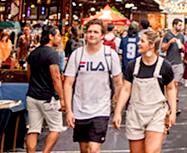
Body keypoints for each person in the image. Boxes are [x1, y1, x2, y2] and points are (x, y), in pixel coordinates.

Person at [113, 29, 177, 153]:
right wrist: (118, 112)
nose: (138, 43)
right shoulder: (133, 66)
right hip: (135, 114)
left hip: (156, 114)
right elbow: (126, 90)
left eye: (142, 41)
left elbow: (170, 89)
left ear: (151, 45)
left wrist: (173, 111)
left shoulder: (165, 66)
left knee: (151, 151)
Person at [64, 19, 123, 153]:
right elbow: (68, 84)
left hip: (101, 109)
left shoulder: (109, 55)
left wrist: (118, 110)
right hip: (80, 109)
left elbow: (119, 83)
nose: (92, 35)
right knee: (84, 149)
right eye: (89, 32)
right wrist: (68, 110)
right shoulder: (77, 55)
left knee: (94, 149)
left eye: (95, 32)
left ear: (102, 35)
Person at [25, 24, 66, 153]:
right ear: (50, 37)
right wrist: (62, 98)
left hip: (32, 96)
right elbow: (56, 78)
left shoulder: (33, 53)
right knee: (56, 128)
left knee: (33, 129)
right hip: (48, 97)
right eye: (58, 35)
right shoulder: (53, 55)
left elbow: (29, 75)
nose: (59, 39)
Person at [162, 19, 186, 101]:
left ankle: (173, 99)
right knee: (168, 83)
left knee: (175, 83)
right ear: (174, 25)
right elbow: (162, 49)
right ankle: (166, 98)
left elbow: (184, 50)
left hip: (178, 62)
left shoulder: (181, 36)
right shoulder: (167, 35)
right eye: (179, 25)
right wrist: (169, 42)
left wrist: (183, 48)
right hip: (169, 62)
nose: (180, 27)